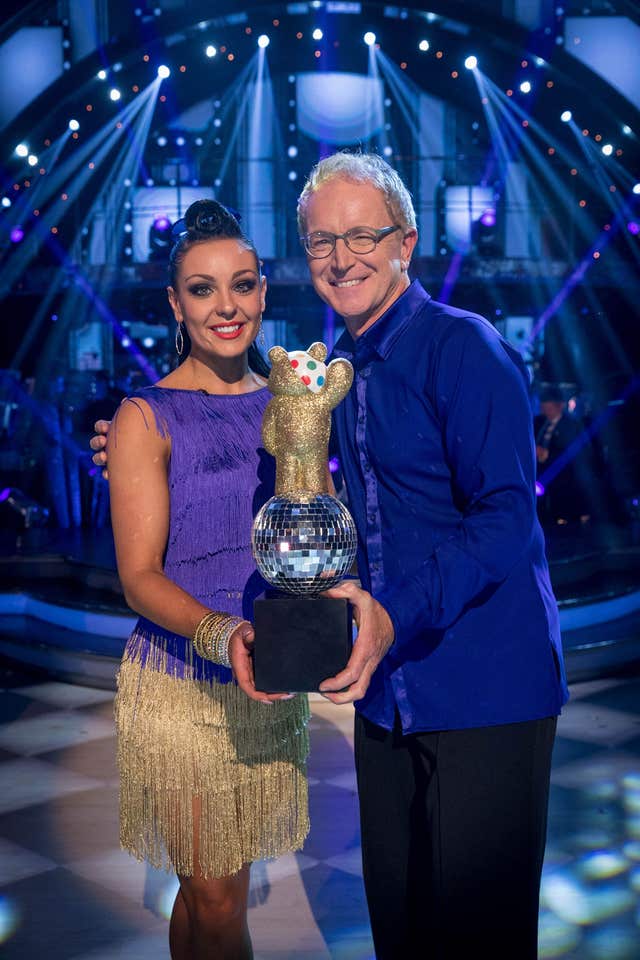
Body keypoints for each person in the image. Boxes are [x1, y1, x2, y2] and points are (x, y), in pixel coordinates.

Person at [93, 153, 568, 959]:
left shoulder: (457, 350)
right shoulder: (326, 385)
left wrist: (384, 612)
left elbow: (504, 519)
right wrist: (126, 439)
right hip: (377, 695)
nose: (341, 257)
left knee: (478, 934)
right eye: (321, 241)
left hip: (482, 683)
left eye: (361, 236)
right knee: (394, 924)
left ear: (406, 242)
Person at [103, 199, 309, 960]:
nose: (227, 305)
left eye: (243, 284)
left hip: (271, 678)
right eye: (203, 288)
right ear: (174, 303)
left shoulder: (292, 403)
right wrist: (227, 637)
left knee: (209, 892)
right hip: (184, 680)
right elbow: (137, 577)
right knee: (219, 897)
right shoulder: (145, 416)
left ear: (263, 293)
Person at [534, 384, 593, 524]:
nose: (546, 411)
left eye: (549, 408)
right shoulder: (542, 424)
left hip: (568, 478)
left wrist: (547, 454)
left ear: (559, 406)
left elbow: (575, 452)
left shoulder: (571, 425)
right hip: (549, 478)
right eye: (544, 408)